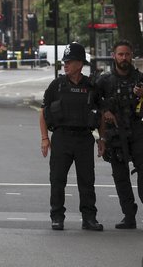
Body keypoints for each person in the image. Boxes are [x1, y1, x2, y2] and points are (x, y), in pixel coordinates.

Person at [96, 39, 143, 230]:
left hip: (137, 131)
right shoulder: (105, 80)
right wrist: (104, 111)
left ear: (132, 56)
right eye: (120, 54)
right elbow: (92, 100)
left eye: (127, 54)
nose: (124, 58)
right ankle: (129, 216)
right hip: (115, 135)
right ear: (113, 56)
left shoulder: (141, 79)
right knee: (120, 176)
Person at [40, 42, 103, 232]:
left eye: (69, 61)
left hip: (84, 139)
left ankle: (89, 218)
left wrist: (102, 139)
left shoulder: (91, 86)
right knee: (58, 179)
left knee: (87, 181)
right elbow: (43, 112)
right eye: (64, 61)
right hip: (61, 138)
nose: (65, 65)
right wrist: (45, 138)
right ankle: (57, 217)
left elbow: (100, 114)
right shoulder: (56, 85)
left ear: (80, 64)